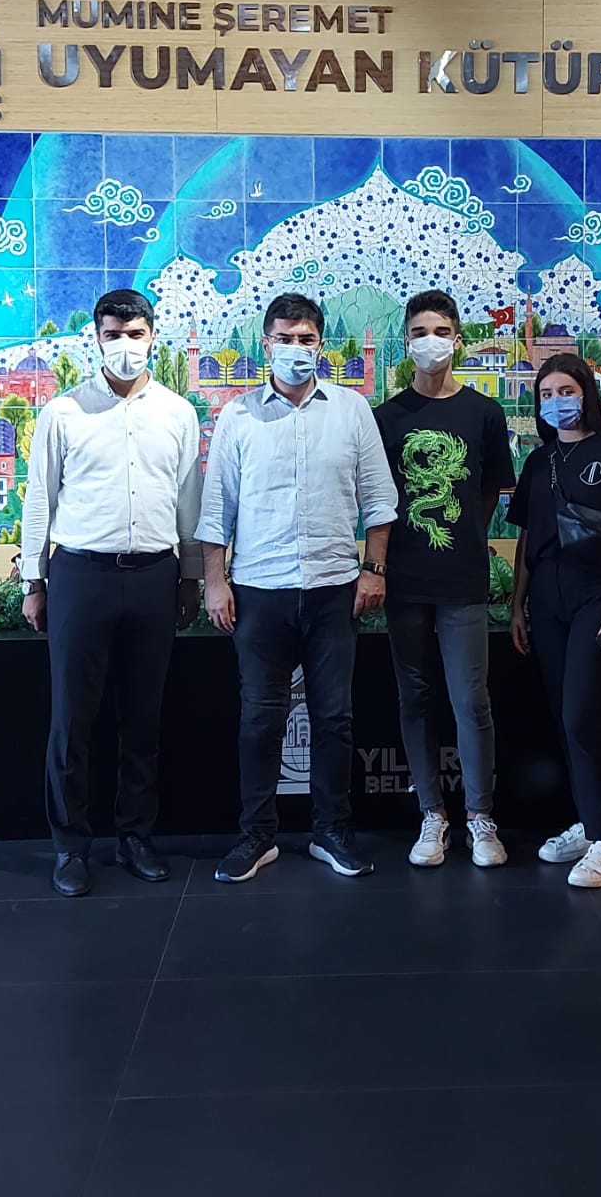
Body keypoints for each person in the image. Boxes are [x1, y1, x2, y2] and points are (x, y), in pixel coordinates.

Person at [198, 293, 397, 884]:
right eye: (284, 339)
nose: (295, 349)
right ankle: (256, 836)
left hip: (335, 588)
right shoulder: (237, 416)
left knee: (334, 719)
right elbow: (217, 509)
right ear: (266, 345)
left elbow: (379, 499)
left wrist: (374, 569)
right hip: (259, 591)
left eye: (305, 339)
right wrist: (215, 583)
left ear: (321, 345)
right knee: (260, 719)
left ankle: (331, 833)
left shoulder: (352, 411)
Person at [21, 289, 203, 897]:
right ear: (96, 340)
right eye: (113, 335)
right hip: (81, 576)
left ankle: (136, 837)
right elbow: (40, 498)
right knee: (72, 719)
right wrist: (34, 581)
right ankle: (71, 846)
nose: (125, 345)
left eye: (135, 333)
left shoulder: (178, 413)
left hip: (154, 576)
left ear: (153, 336)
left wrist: (190, 575)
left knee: (143, 717)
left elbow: (188, 499)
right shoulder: (63, 412)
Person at [374, 290, 516, 869]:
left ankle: (480, 817)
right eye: (418, 332)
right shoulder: (387, 417)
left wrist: (463, 539)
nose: (429, 341)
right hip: (405, 581)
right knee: (415, 698)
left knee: (471, 699)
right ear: (406, 342)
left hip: (462, 580)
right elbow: (378, 502)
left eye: (440, 331)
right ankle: (432, 814)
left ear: (457, 338)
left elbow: (488, 494)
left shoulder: (484, 412)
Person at [506, 354, 601, 889]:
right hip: (547, 600)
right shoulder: (537, 462)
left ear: (586, 393)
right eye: (545, 394)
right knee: (563, 719)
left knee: (582, 716)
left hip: (597, 598)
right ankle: (588, 825)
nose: (556, 402)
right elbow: (526, 539)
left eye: (565, 390)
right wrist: (518, 604)